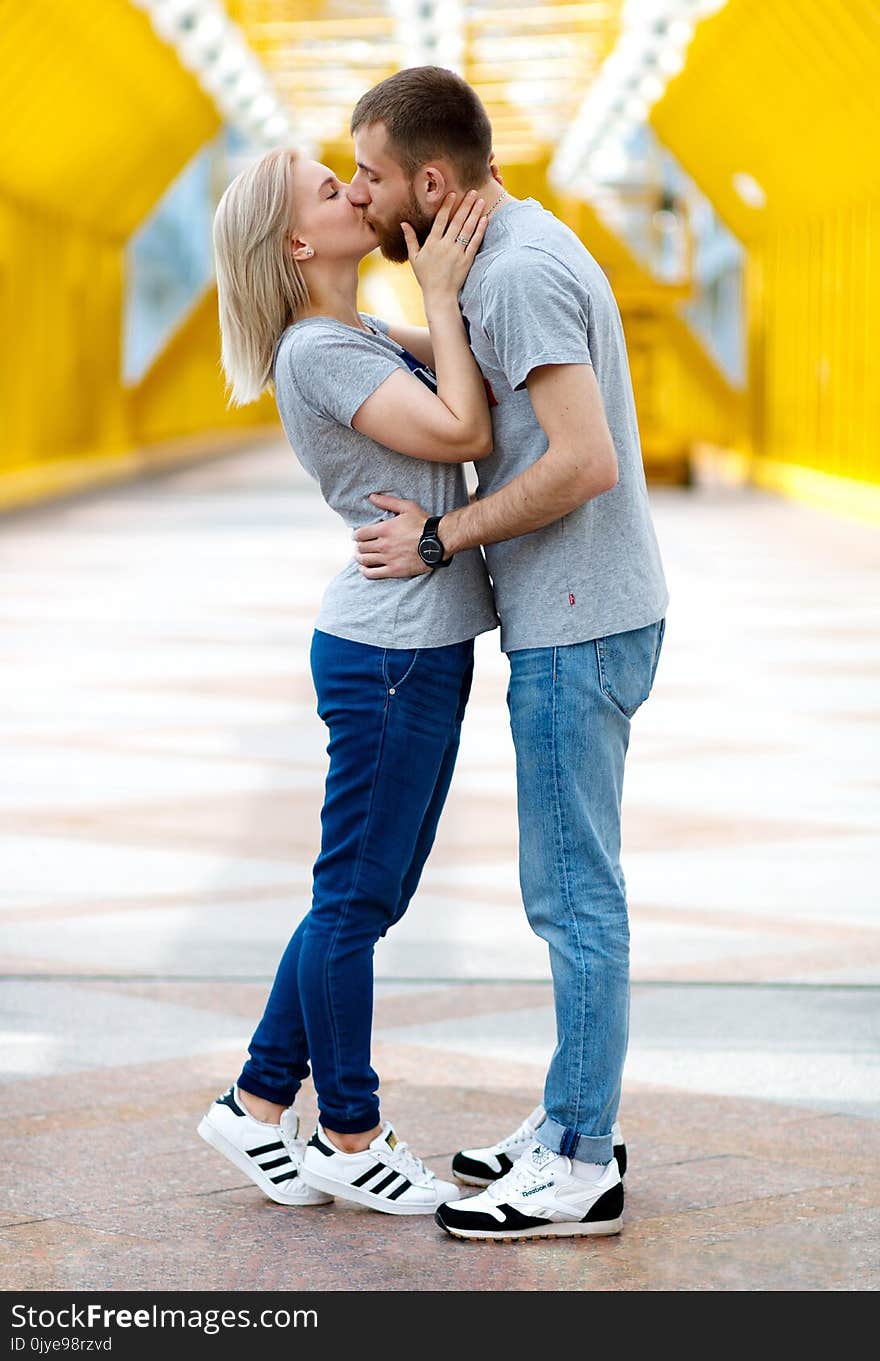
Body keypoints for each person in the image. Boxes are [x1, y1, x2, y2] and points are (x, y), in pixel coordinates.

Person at [345, 66, 670, 1241]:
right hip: (585, 610)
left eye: (373, 175)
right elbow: (478, 375)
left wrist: (440, 534)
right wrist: (362, 318)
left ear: (432, 182)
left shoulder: (520, 272)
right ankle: (568, 1115)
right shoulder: (507, 248)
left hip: (578, 619)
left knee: (574, 896)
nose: (361, 193)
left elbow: (582, 460)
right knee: (572, 888)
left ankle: (579, 1160)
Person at [197, 146, 499, 1216]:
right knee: (355, 899)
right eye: (331, 191)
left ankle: (254, 1098)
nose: (354, 194)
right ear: (294, 243)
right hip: (388, 654)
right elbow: (463, 427)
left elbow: (487, 380)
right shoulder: (319, 351)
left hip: (414, 645)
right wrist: (441, 291)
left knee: (364, 893)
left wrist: (445, 291)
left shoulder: (358, 333)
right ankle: (350, 1130)